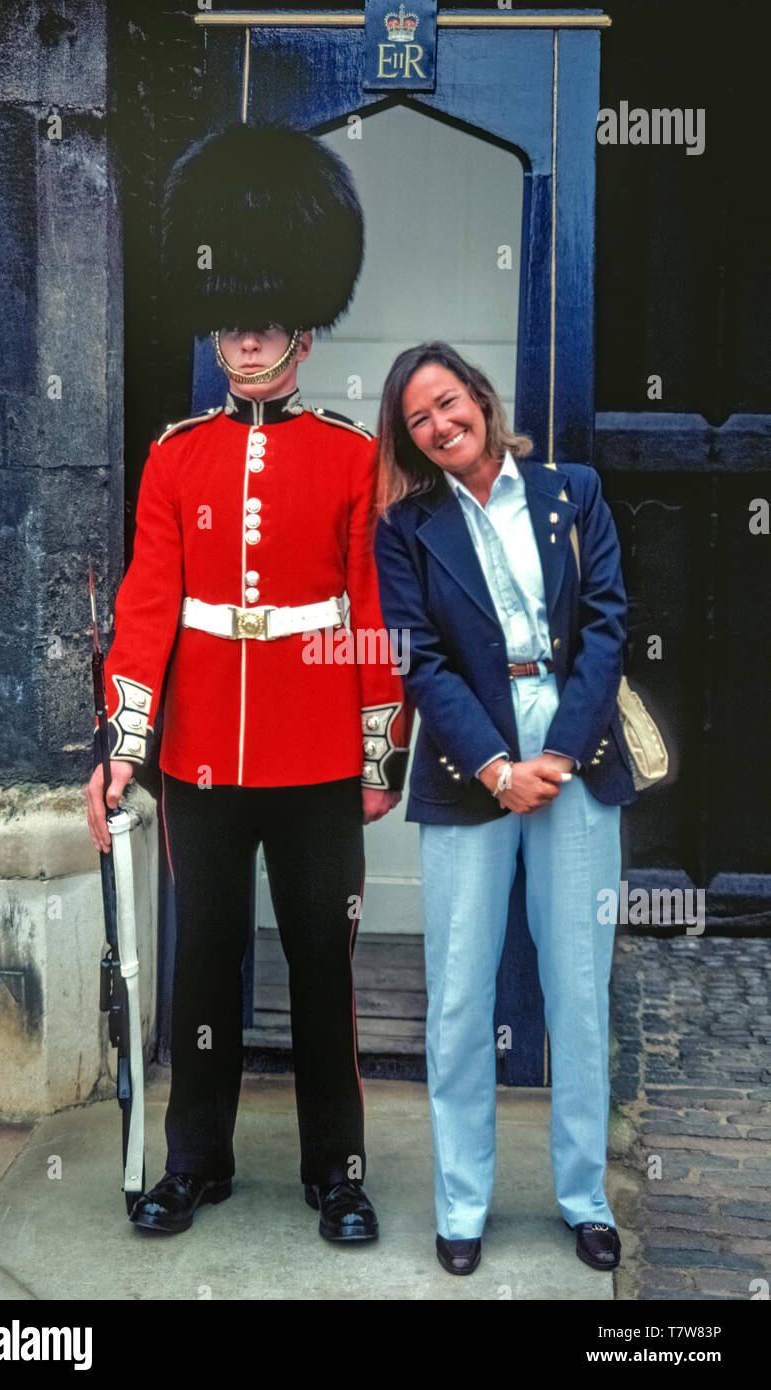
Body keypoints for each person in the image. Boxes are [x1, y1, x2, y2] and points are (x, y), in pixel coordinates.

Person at [85, 125, 410, 1242]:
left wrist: (377, 749)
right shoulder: (177, 456)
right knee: (201, 971)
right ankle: (195, 1161)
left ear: (303, 332)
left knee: (324, 969)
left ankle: (339, 1168)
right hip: (201, 764)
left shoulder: (348, 456)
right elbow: (147, 607)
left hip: (318, 759)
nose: (241, 339)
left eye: (262, 322)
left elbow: (368, 613)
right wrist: (127, 744)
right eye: (228, 321)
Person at [372, 341, 636, 1276]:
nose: (442, 425)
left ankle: (584, 1197)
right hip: (466, 762)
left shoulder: (577, 493)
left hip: (576, 745)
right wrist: (495, 767)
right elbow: (419, 661)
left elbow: (607, 624)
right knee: (459, 997)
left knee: (576, 987)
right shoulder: (405, 527)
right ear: (408, 440)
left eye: (449, 403)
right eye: (419, 420)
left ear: (479, 399)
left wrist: (555, 752)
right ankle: (462, 1205)